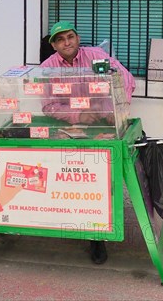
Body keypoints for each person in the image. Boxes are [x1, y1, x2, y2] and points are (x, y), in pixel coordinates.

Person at [40, 21, 136, 264]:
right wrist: (79, 114)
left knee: (100, 182)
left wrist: (109, 108)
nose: (67, 42)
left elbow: (126, 80)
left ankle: (97, 237)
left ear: (77, 37)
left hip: (105, 127)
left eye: (70, 36)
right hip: (72, 130)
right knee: (75, 183)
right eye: (60, 40)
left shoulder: (96, 55)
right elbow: (49, 106)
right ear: (53, 45)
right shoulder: (47, 68)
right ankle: (71, 225)